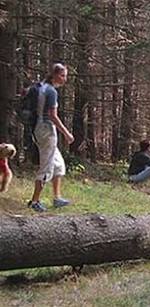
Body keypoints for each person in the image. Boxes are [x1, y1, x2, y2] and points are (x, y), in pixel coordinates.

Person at [28, 63, 75, 212]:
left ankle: (57, 198)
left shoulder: (41, 87)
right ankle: (34, 201)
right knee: (47, 166)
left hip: (39, 128)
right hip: (46, 130)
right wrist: (66, 133)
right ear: (54, 75)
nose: (64, 79)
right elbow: (52, 116)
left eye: (65, 76)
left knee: (58, 164)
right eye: (62, 75)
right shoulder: (51, 91)